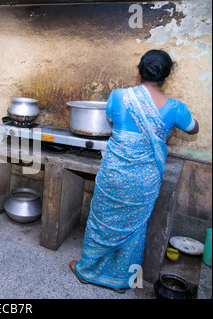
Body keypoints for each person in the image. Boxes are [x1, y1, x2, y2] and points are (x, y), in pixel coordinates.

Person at [69, 50, 199, 293]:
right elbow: (194, 129)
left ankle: (86, 271)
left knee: (101, 222)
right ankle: (120, 282)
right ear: (167, 76)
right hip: (144, 181)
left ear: (139, 70)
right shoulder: (176, 109)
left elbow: (110, 117)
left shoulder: (119, 96)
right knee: (135, 230)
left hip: (114, 175)